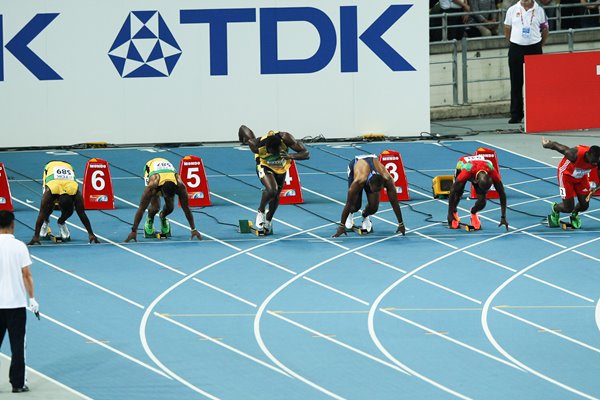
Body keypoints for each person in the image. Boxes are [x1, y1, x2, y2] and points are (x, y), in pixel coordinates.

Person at [238, 126, 310, 234]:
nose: (273, 155)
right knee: (272, 189)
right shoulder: (255, 145)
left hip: (281, 167)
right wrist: (241, 138)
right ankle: (261, 211)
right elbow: (243, 128)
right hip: (264, 165)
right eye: (271, 152)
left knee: (276, 195)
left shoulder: (286, 138)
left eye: (276, 153)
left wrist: (290, 155)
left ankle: (268, 220)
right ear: (266, 148)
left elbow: (306, 154)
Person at [0, 210, 38, 393]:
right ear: (12, 225)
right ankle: (17, 384)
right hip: (15, 305)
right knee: (17, 346)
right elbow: (27, 275)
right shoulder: (20, 246)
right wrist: (32, 299)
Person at [125, 158, 201, 242]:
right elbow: (141, 208)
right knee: (155, 207)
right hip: (151, 167)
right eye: (166, 196)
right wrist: (133, 231)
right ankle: (150, 219)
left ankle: (163, 216)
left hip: (166, 167)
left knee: (170, 207)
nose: (167, 198)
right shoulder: (152, 186)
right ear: (161, 191)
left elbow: (186, 208)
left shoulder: (180, 186)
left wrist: (193, 229)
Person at [332, 155, 406, 237]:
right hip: (355, 166)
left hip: (371, 171)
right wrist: (341, 226)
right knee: (355, 206)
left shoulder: (388, 179)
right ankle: (350, 214)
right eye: (374, 190)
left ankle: (365, 216)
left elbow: (394, 202)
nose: (376, 192)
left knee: (374, 207)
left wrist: (401, 224)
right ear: (369, 184)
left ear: (383, 184)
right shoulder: (359, 181)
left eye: (379, 190)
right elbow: (348, 203)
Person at [28, 161, 99, 245]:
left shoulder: (75, 193)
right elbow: (41, 214)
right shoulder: (50, 192)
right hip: (50, 167)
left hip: (68, 167)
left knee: (68, 212)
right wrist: (36, 236)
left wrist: (91, 234)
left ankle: (61, 222)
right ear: (57, 200)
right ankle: (45, 223)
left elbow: (82, 214)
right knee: (46, 209)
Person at [504, 0, 549, 124]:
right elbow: (507, 28)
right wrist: (512, 42)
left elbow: (545, 30)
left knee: (535, 83)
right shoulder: (512, 9)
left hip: (534, 47)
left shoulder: (539, 10)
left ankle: (536, 112)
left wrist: (540, 44)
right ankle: (516, 114)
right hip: (516, 48)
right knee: (516, 82)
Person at [542, 138, 600, 228]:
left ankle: (574, 214)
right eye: (593, 161)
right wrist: (546, 144)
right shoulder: (574, 154)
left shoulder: (597, 160)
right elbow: (557, 146)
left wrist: (595, 189)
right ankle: (555, 208)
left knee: (584, 205)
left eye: (597, 162)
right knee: (568, 208)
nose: (595, 164)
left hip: (581, 177)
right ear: (588, 154)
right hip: (566, 175)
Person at [447, 155, 509, 230]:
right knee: (458, 192)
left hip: (479, 169)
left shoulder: (492, 172)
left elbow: (502, 193)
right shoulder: (466, 171)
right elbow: (452, 191)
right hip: (465, 166)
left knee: (482, 202)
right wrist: (450, 214)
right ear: (476, 181)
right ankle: (454, 211)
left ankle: (473, 212)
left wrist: (503, 217)